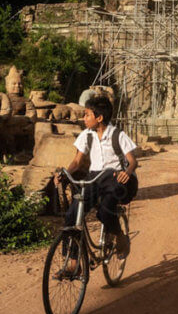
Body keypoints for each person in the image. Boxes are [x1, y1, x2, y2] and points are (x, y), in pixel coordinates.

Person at [53, 95, 138, 264]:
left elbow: (133, 161)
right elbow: (77, 161)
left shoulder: (117, 135)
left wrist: (127, 172)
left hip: (115, 178)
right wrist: (65, 173)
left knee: (105, 210)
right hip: (95, 178)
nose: (83, 118)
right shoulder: (87, 135)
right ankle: (72, 263)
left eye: (87, 115)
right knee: (72, 214)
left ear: (99, 118)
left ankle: (120, 237)